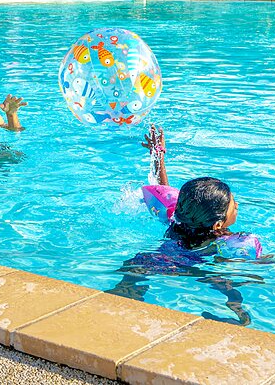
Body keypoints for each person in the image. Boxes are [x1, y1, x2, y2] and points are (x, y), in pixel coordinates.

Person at [110, 125, 265, 324]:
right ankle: (239, 314)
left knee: (135, 265)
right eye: (232, 205)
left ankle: (126, 292)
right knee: (229, 289)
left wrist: (158, 157)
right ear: (217, 225)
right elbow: (239, 262)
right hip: (197, 265)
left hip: (164, 258)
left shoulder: (179, 217)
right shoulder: (224, 238)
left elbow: (163, 189)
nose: (236, 205)